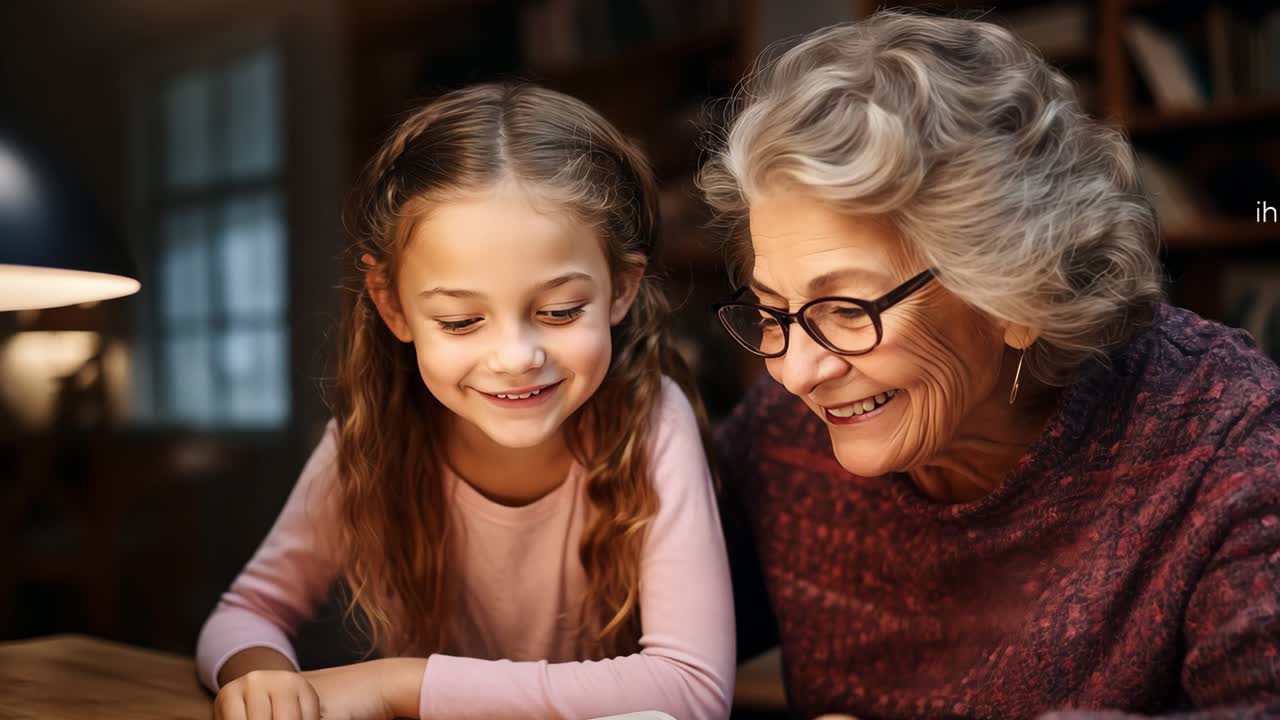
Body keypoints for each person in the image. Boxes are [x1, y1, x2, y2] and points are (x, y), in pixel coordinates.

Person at [699, 11, 1280, 719]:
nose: (794, 374)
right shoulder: (782, 442)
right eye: (773, 309)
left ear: (1017, 292)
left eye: (848, 309)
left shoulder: (1225, 441)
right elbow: (630, 643)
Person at [198, 82, 734, 720]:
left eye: (560, 311)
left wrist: (401, 685)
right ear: (392, 303)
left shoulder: (650, 424)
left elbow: (694, 689)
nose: (515, 356)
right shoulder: (374, 438)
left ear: (622, 289)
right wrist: (262, 676)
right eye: (459, 321)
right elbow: (246, 612)